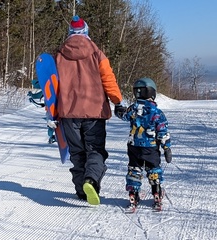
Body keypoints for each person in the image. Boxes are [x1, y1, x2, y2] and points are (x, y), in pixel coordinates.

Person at [54, 15, 123, 205]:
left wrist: (52, 111)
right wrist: (117, 100)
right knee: (95, 150)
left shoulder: (59, 56)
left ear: (69, 33)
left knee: (77, 152)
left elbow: (52, 87)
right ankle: (90, 180)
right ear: (86, 32)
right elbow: (108, 80)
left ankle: (80, 191)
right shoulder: (96, 53)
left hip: (68, 114)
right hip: (94, 112)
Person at [115, 77, 172, 211]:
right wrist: (166, 148)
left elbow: (123, 115)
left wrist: (118, 108)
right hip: (150, 148)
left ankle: (133, 193)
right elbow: (162, 132)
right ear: (152, 93)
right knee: (153, 168)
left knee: (134, 169)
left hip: (134, 147)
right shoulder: (157, 113)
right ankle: (156, 191)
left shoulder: (132, 109)